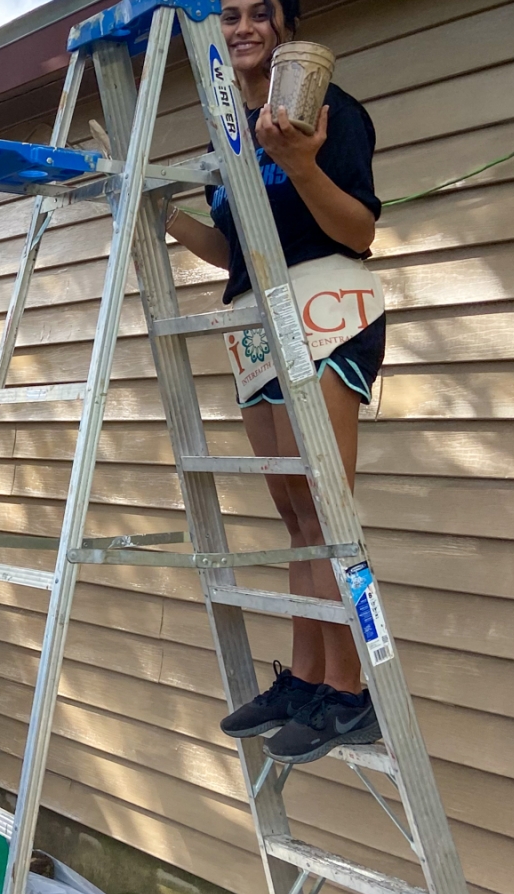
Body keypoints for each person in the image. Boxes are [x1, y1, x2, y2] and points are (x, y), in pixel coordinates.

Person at [165, 0, 384, 763]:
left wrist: (299, 162)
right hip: (256, 314)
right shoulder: (230, 137)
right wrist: (158, 218)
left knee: (327, 505)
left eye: (260, 12)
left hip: (324, 303)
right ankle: (307, 679)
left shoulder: (329, 112)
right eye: (227, 15)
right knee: (295, 512)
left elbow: (358, 230)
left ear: (286, 26)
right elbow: (233, 249)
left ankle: (351, 694)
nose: (243, 27)